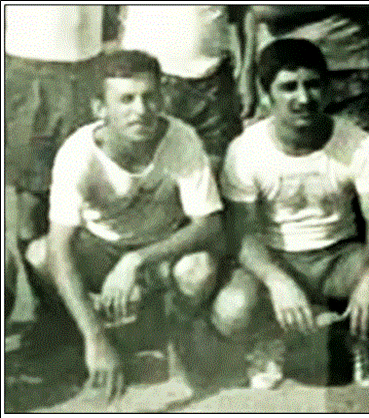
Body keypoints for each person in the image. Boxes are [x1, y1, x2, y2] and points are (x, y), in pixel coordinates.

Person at [216, 39, 369, 387]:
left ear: (328, 89)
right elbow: (241, 234)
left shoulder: (358, 142)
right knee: (232, 309)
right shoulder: (245, 150)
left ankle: (361, 336)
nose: (303, 98)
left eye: (313, 84)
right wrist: (276, 280)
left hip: (338, 258)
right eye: (288, 87)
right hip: (278, 257)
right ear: (266, 95)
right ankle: (268, 338)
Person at [24, 50, 225, 400]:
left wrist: (136, 260)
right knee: (40, 255)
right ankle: (85, 337)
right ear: (100, 108)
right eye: (126, 99)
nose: (141, 110)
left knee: (198, 268)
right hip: (101, 251)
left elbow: (208, 224)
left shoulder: (182, 138)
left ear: (163, 99)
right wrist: (96, 339)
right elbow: (59, 247)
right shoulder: (78, 152)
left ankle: (175, 339)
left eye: (150, 97)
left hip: (158, 252)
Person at [5, 5, 104, 320]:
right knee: (33, 202)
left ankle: (77, 308)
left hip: (90, 65)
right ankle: (47, 311)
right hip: (31, 66)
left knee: (91, 194)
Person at [117, 5, 243, 159]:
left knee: (217, 163)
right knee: (150, 166)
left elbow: (244, 13)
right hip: (148, 84)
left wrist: (247, 73)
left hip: (211, 84)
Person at [240, 5, 369, 130]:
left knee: (349, 151)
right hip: (281, 67)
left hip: (345, 64)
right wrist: (248, 70)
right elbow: (258, 11)